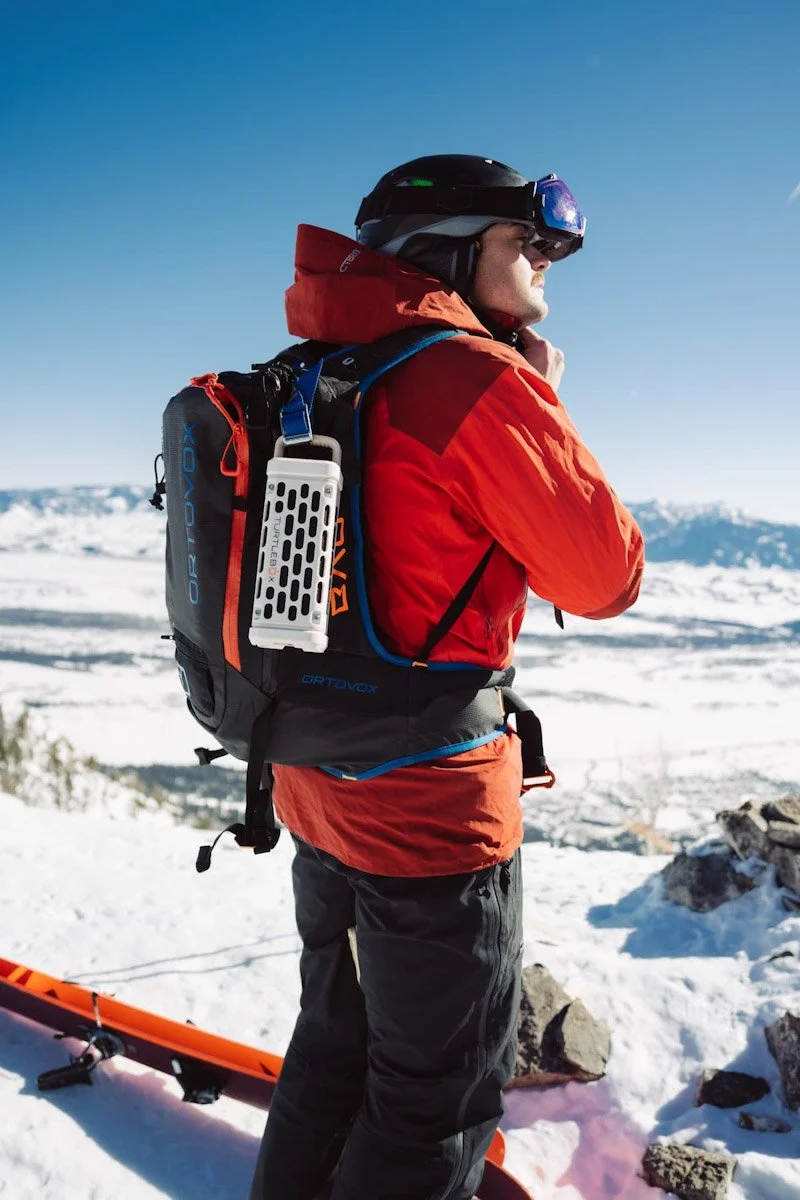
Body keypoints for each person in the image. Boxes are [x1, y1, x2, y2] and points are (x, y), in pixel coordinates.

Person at [250, 155, 644, 1200]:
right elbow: (604, 576)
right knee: (434, 1097)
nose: (548, 266)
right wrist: (542, 410)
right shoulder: (473, 379)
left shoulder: (311, 368)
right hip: (430, 806)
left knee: (335, 1043)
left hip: (312, 780)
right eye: (529, 245)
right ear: (453, 253)